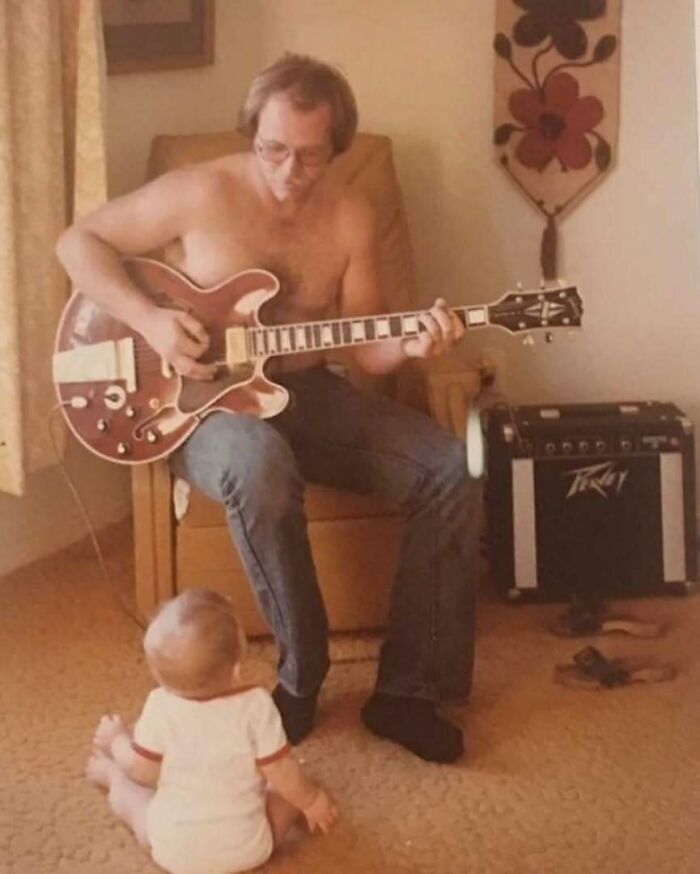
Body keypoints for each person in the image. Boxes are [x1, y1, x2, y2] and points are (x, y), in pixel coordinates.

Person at [56, 53, 481, 764]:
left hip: (307, 391)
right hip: (197, 405)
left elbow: (367, 345)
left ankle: (408, 692)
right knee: (259, 462)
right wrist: (152, 320)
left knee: (448, 466)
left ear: (336, 149)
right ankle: (299, 675)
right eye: (273, 149)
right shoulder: (197, 192)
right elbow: (78, 243)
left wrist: (411, 342)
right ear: (252, 131)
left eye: (310, 158)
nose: (288, 172)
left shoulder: (350, 215)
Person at [86, 589, 338, 874]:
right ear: (236, 671)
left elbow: (141, 770)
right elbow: (280, 767)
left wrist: (118, 738)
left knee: (135, 802)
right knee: (289, 786)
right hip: (248, 850)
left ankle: (111, 777)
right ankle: (299, 803)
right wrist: (311, 800)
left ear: (158, 676)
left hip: (172, 850)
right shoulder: (256, 706)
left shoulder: (159, 708)